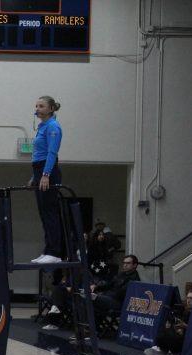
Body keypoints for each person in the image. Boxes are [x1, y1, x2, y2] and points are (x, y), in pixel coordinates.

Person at [44, 255, 141, 329]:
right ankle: (83, 326)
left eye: (128, 263)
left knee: (88, 297)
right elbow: (109, 285)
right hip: (107, 297)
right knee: (68, 291)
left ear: (135, 265)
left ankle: (87, 329)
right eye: (124, 262)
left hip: (117, 302)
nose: (125, 265)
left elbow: (120, 294)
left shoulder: (134, 280)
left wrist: (101, 294)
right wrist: (96, 286)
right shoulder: (121, 274)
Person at [29, 95, 64, 264]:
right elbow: (38, 154)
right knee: (43, 213)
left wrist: (45, 174)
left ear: (51, 109)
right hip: (39, 170)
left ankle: (55, 253)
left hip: (47, 170)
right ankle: (48, 249)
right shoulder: (42, 127)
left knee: (50, 212)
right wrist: (34, 177)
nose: (38, 109)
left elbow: (51, 153)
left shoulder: (53, 127)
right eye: (36, 106)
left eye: (41, 106)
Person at [144, 289, 192, 355]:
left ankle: (171, 352)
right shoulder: (186, 312)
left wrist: (185, 327)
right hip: (182, 336)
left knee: (169, 336)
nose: (188, 300)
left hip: (190, 342)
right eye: (188, 298)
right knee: (163, 332)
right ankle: (163, 350)